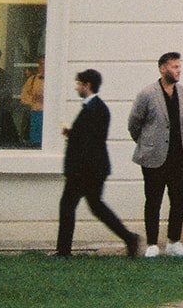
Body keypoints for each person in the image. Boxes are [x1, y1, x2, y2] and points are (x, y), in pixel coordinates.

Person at [54, 69, 141, 258]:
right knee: (96, 207)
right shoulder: (97, 108)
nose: (76, 87)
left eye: (79, 84)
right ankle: (129, 237)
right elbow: (90, 137)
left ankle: (63, 251)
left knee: (69, 206)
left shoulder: (93, 109)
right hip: (92, 168)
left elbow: (89, 141)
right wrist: (73, 134)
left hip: (85, 169)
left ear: (87, 85)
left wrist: (76, 167)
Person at [128, 51, 183, 257]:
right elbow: (134, 124)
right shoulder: (147, 94)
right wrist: (147, 143)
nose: (178, 70)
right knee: (153, 199)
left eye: (179, 66)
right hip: (154, 156)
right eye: (174, 67)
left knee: (178, 199)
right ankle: (152, 244)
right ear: (162, 68)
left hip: (180, 154)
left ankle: (174, 241)